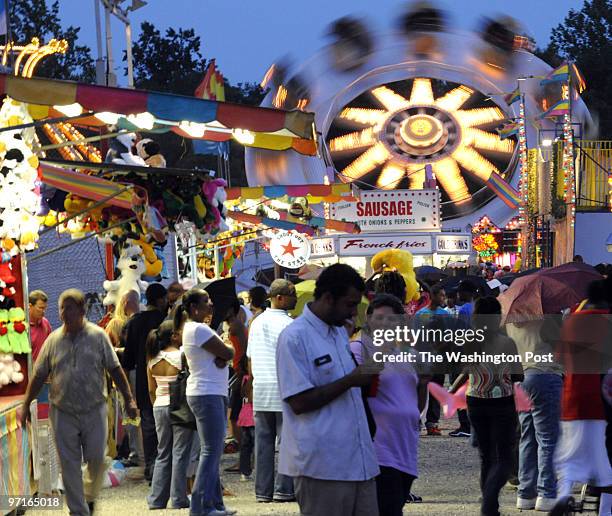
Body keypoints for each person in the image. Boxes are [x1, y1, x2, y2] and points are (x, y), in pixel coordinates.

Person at [276, 264, 382, 516]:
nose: (354, 312)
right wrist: (351, 380)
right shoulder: (294, 337)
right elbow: (298, 402)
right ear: (327, 298)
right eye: (349, 304)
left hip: (359, 461)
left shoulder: (338, 333)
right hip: (322, 466)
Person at [21, 289, 138, 515]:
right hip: (63, 411)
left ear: (82, 310)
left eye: (70, 308)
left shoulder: (98, 336)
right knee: (69, 464)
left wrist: (129, 398)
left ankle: (89, 495)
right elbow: (38, 375)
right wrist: (26, 404)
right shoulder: (53, 340)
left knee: (97, 459)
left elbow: (114, 368)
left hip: (94, 410)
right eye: (62, 308)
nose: (64, 313)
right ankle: (79, 511)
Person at [351, 294, 421, 516]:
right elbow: (356, 381)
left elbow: (415, 393)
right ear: (369, 319)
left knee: (394, 506)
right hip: (378, 447)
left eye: (392, 320)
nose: (385, 324)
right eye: (380, 318)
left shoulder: (404, 354)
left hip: (405, 448)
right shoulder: (358, 348)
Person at [457, 297, 524, 516]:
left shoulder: (469, 340)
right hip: (502, 402)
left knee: (487, 457)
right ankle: (489, 503)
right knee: (506, 458)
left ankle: (491, 508)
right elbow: (517, 375)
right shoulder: (506, 343)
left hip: (475, 402)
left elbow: (464, 369)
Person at [552, 280, 612, 516]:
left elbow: (559, 358)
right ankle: (605, 511)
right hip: (598, 400)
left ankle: (563, 495)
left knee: (569, 454)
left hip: (571, 397)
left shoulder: (572, 321)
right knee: (604, 458)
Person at [175, 288, 236, 516]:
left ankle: (215, 504)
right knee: (211, 450)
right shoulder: (198, 329)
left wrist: (223, 354)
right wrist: (225, 352)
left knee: (212, 450)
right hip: (207, 393)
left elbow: (222, 357)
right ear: (193, 308)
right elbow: (227, 353)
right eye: (206, 301)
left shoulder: (197, 329)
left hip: (210, 391)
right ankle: (201, 506)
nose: (211, 304)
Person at [506, 314, 564, 511]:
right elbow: (560, 346)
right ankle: (546, 493)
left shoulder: (511, 319)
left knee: (527, 437)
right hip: (545, 374)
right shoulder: (548, 316)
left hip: (520, 378)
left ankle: (526, 494)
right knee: (547, 438)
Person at [247, 279, 297, 503]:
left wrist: (253, 383)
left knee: (263, 444)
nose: (295, 298)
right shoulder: (289, 324)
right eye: (291, 294)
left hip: (261, 389)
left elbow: (250, 358)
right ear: (279, 298)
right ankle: (284, 489)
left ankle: (263, 492)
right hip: (283, 389)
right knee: (287, 443)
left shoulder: (256, 322)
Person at [122, 283, 169, 481]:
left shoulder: (135, 322)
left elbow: (127, 360)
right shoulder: (165, 322)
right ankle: (167, 467)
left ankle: (152, 467)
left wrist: (128, 392)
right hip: (166, 380)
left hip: (142, 382)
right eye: (165, 298)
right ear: (160, 300)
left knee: (149, 426)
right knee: (166, 428)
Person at [146, 320, 192, 510]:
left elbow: (151, 389)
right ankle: (179, 498)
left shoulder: (152, 359)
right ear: (173, 335)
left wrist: (157, 404)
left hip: (159, 405)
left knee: (163, 453)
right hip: (179, 406)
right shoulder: (181, 355)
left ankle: (156, 499)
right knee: (180, 453)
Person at [105, 289, 141, 466]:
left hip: (123, 375)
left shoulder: (116, 324)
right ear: (127, 303)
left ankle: (135, 452)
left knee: (130, 412)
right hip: (127, 374)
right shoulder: (117, 324)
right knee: (134, 413)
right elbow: (108, 350)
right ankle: (136, 451)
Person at [415, 284, 449, 436]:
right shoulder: (421, 314)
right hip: (423, 357)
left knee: (436, 390)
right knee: (420, 389)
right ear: (433, 296)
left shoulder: (445, 314)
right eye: (441, 295)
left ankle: (432, 423)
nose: (443, 298)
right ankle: (416, 420)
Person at [449, 280, 478, 438]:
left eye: (460, 291)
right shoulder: (477, 308)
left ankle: (464, 425)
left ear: (468, 293)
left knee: (458, 388)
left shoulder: (464, 310)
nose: (458, 294)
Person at [29, 289, 52, 362]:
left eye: (45, 308)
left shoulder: (45, 323)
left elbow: (51, 347)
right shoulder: (23, 326)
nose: (43, 311)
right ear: (30, 306)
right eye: (40, 308)